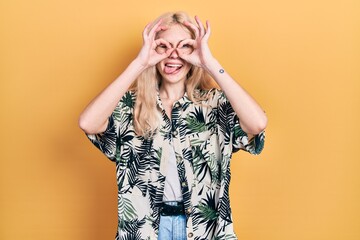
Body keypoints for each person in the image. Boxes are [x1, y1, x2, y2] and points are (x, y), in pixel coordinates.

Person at [79, 11, 267, 240]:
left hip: (203, 230)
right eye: (164, 46)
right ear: (152, 50)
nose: (174, 55)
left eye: (184, 46)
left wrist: (210, 63)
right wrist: (139, 63)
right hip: (146, 230)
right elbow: (88, 123)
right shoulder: (131, 107)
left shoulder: (215, 104)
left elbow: (257, 124)